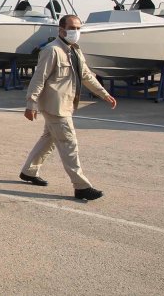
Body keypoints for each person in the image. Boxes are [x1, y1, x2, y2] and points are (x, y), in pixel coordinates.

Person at [20, 15, 117, 201]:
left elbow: (87, 76)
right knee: (69, 144)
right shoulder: (52, 50)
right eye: (72, 28)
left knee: (48, 139)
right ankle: (81, 186)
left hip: (66, 104)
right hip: (55, 106)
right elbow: (38, 78)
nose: (75, 32)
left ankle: (29, 171)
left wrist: (104, 94)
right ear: (61, 30)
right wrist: (31, 103)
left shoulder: (75, 51)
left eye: (78, 28)